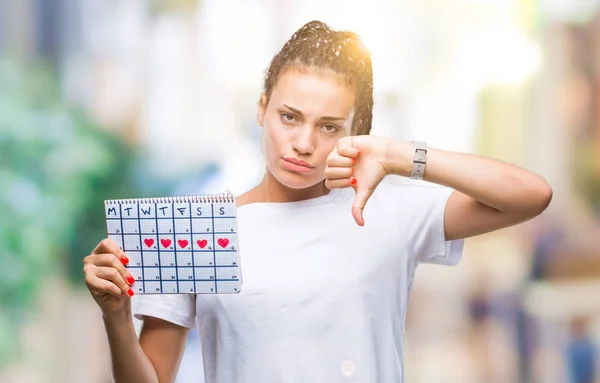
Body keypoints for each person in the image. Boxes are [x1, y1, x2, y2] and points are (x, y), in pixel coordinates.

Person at [83, 20, 553, 383]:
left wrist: (395, 154)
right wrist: (118, 318)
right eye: (289, 117)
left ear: (356, 134)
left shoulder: (384, 208)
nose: (303, 142)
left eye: (329, 126)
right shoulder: (198, 226)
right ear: (262, 108)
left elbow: (530, 195)